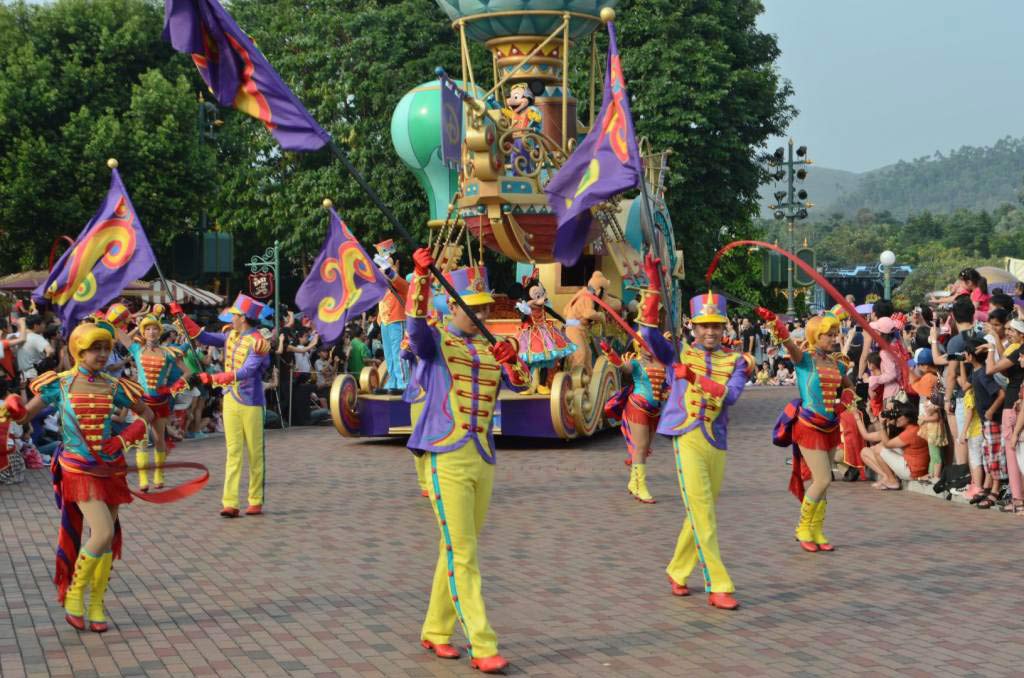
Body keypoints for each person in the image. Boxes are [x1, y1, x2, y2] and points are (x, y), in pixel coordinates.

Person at [404, 248, 528, 673]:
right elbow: (415, 330)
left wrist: (516, 367)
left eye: (484, 308)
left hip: (482, 456)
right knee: (465, 553)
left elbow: (520, 383)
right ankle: (483, 641)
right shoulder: (437, 344)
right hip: (446, 455)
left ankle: (436, 630)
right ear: (451, 307)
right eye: (472, 308)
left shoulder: (492, 347)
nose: (481, 315)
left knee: (457, 549)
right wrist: (420, 279)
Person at [4, 320, 153, 632]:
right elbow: (27, 414)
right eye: (94, 349)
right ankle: (74, 596)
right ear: (78, 351)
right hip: (78, 468)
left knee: (107, 540)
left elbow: (148, 415)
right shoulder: (59, 384)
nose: (101, 355)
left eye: (105, 349)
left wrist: (124, 438)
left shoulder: (114, 386)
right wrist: (13, 407)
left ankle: (96, 607)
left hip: (110, 469)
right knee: (101, 533)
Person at [637, 254, 749, 610]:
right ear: (693, 327)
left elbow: (730, 396)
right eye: (704, 326)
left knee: (699, 511)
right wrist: (654, 284)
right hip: (686, 437)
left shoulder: (737, 363)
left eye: (716, 326)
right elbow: (648, 334)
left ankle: (677, 569)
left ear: (725, 327)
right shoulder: (679, 354)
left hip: (717, 441)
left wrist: (697, 378)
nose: (710, 332)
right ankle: (719, 583)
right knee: (704, 513)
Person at [760, 306, 855, 553]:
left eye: (836, 334)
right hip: (809, 425)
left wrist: (843, 403)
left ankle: (817, 529)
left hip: (830, 425)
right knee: (823, 478)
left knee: (824, 481)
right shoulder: (805, 361)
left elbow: (849, 388)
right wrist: (775, 321)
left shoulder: (837, 364)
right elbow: (789, 344)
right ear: (816, 336)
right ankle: (802, 528)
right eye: (829, 335)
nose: (835, 338)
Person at [172, 294, 271, 517]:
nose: (231, 318)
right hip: (230, 399)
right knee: (233, 452)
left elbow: (247, 371)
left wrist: (213, 379)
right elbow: (203, 336)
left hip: (251, 401)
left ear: (243, 317)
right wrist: (181, 315)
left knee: (255, 453)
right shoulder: (230, 336)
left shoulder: (258, 341)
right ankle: (230, 502)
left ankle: (255, 499)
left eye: (234, 315)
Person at [113, 314, 190, 492]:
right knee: (141, 439)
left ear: (159, 331)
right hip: (141, 402)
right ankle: (142, 479)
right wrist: (121, 317)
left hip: (160, 401)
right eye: (147, 329)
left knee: (158, 438)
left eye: (154, 328)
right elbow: (118, 333)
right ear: (143, 332)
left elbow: (186, 372)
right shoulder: (136, 350)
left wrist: (171, 388)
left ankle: (158, 474)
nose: (151, 332)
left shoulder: (168, 353)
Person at [600, 336, 668, 504]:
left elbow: (666, 385)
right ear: (639, 347)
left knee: (645, 449)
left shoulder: (662, 363)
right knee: (641, 446)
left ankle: (633, 482)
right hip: (638, 406)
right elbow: (624, 367)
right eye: (644, 345)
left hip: (655, 410)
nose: (648, 348)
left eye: (651, 344)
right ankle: (641, 486)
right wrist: (611, 353)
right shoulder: (637, 364)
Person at [515, 272, 575, 394]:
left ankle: (542, 384)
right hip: (530, 335)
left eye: (541, 294)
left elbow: (554, 313)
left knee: (545, 360)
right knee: (531, 361)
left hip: (545, 333)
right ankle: (530, 386)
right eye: (537, 296)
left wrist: (566, 321)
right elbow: (522, 319)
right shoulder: (527, 308)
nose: (541, 298)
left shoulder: (543, 307)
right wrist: (524, 309)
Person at [963, 339, 1006, 508]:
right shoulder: (976, 372)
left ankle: (995, 490)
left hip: (993, 421)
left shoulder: (983, 374)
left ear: (971, 355)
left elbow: (1000, 394)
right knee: (988, 455)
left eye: (965, 353)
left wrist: (991, 410)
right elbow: (965, 385)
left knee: (994, 457)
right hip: (986, 422)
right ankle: (988, 488)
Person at [990, 317, 1024, 513]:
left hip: (1013, 408)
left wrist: (991, 348)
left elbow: (992, 369)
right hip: (1014, 406)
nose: (1008, 333)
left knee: (1014, 455)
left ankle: (1018, 499)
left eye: (1012, 330)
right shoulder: (1015, 350)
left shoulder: (1019, 351)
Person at [857, 400, 928, 489]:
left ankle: (891, 480)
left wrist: (882, 424)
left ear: (908, 417)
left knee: (879, 449)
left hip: (912, 471)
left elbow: (887, 444)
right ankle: (888, 477)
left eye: (898, 414)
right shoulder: (913, 428)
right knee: (874, 449)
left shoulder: (910, 432)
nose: (896, 416)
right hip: (913, 466)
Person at [16, 314, 55, 381]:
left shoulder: (19, 336)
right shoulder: (37, 338)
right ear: (36, 326)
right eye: (42, 324)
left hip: (23, 377)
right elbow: (50, 351)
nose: (44, 326)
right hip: (36, 375)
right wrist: (45, 363)